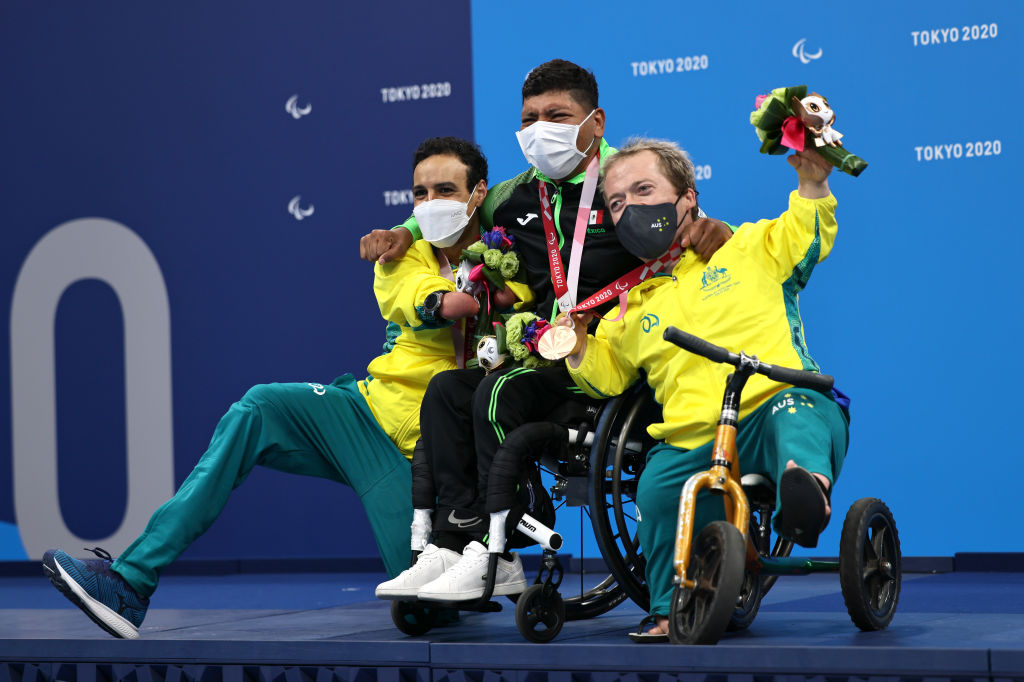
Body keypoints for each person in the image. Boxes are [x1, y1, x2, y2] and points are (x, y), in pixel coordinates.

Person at [41, 136, 505, 639]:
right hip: (363, 416)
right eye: (419, 194)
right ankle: (130, 582)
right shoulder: (400, 253)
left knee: (421, 610)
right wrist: (435, 258)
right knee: (259, 407)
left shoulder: (507, 251)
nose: (430, 204)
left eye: (444, 190)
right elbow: (428, 300)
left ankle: (450, 577)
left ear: (478, 193)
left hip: (426, 458)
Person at [365, 59, 734, 603]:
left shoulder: (624, 184)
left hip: (612, 361)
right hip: (540, 357)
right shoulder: (513, 197)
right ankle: (450, 543)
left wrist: (713, 226)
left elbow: (684, 220)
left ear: (596, 123)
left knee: (499, 391)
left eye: (557, 115)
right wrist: (405, 228)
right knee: (447, 391)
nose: (541, 129)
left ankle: (500, 554)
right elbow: (455, 207)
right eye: (530, 117)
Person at [566, 138, 849, 641]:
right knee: (655, 488)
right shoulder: (630, 304)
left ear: (688, 198)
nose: (630, 208)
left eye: (644, 190)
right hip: (694, 441)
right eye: (617, 202)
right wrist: (575, 341)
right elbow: (605, 375)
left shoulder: (746, 245)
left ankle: (805, 493)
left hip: (776, 405)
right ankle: (667, 609)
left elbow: (805, 235)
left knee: (794, 411)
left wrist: (812, 182)